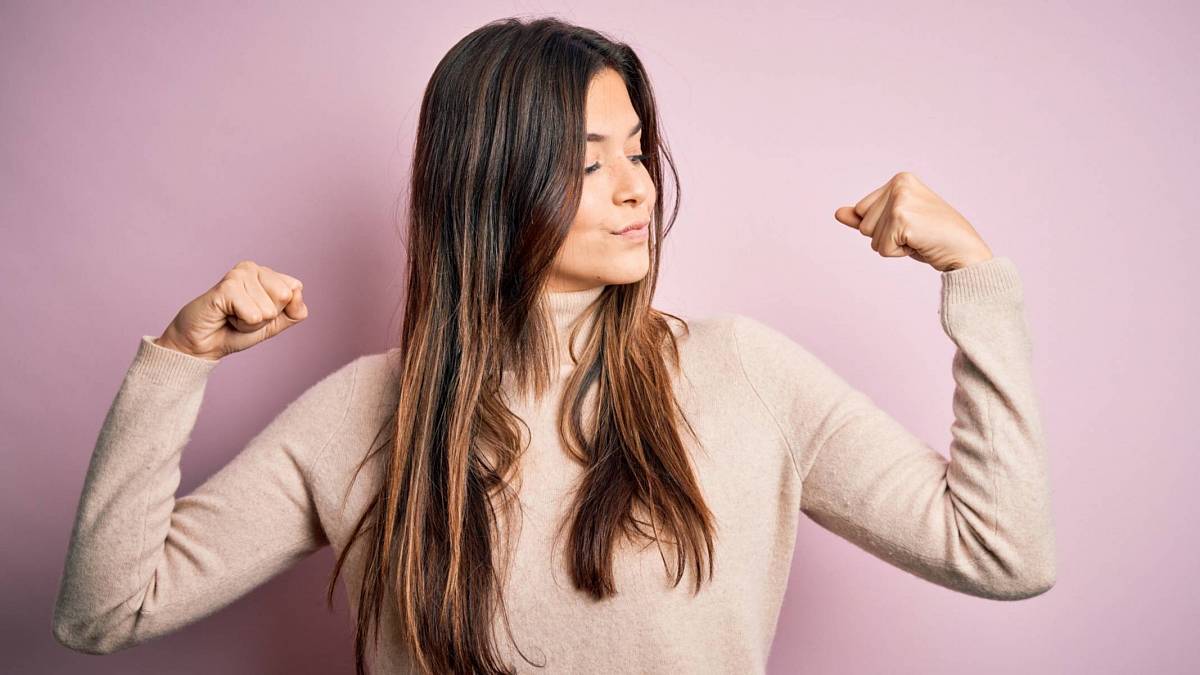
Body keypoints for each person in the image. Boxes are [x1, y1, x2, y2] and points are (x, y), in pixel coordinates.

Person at [51, 15, 1057, 675]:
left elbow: (1003, 554)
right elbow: (105, 613)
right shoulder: (365, 412)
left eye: (637, 149)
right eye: (587, 161)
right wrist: (178, 362)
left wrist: (977, 282)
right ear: (492, 189)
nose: (637, 188)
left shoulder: (745, 373)